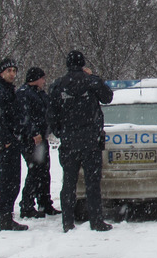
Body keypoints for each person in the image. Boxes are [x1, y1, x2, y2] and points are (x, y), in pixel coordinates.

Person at [47, 50, 114, 232]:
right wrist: (95, 77)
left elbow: (51, 114)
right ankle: (96, 220)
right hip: (90, 140)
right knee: (93, 183)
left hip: (69, 141)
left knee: (68, 182)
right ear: (83, 64)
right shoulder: (91, 81)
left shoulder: (57, 85)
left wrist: (61, 132)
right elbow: (108, 97)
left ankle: (67, 222)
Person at [0, 58, 28, 231]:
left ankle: (6, 214)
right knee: (8, 180)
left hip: (13, 139)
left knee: (13, 180)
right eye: (8, 70)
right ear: (1, 72)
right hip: (8, 142)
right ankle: (4, 215)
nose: (12, 74)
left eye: (14, 70)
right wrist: (6, 140)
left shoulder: (8, 90)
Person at [17, 67, 60, 219]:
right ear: (35, 79)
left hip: (42, 139)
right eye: (42, 78)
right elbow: (24, 115)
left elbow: (48, 111)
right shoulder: (24, 94)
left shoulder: (40, 94)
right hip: (31, 140)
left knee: (44, 171)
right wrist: (34, 132)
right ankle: (27, 205)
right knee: (35, 171)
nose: (44, 81)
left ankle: (44, 203)